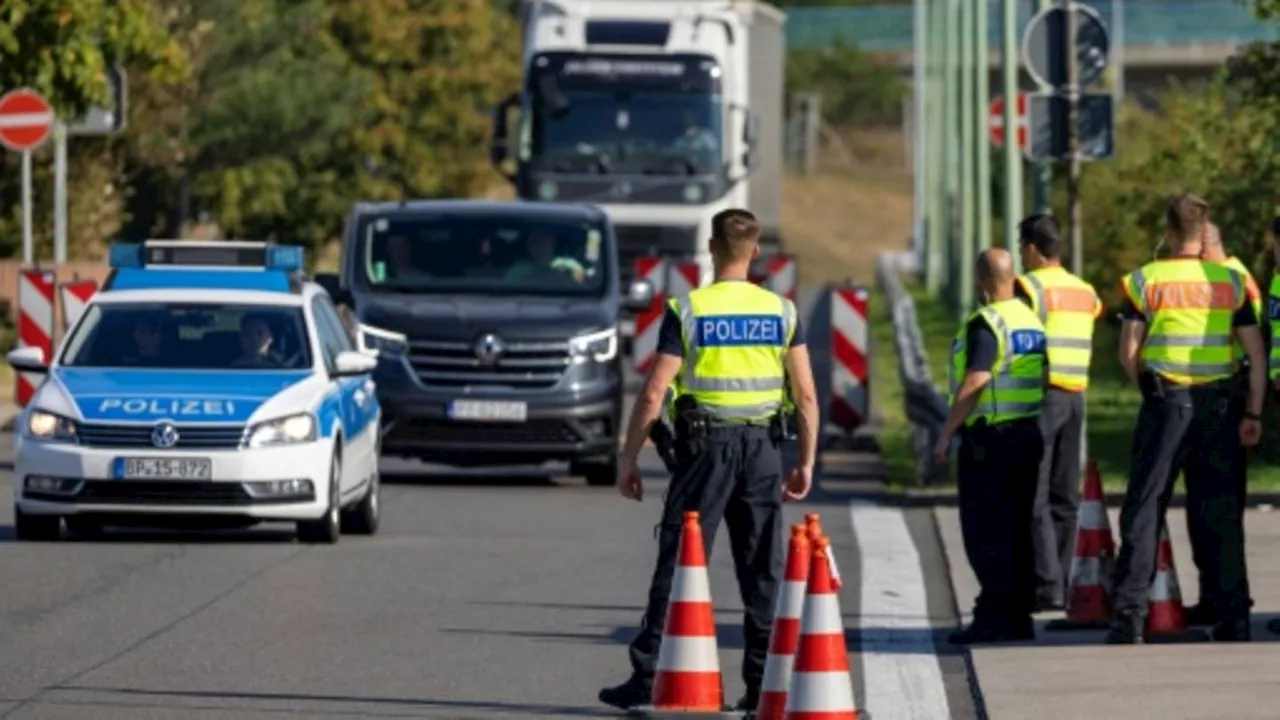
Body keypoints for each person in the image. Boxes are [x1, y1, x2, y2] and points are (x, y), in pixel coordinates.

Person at [599, 208, 819, 712]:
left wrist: (630, 457)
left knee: (679, 562)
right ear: (755, 250)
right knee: (762, 569)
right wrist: (804, 461)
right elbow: (806, 395)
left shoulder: (689, 309)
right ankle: (763, 686)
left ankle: (649, 676)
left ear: (713, 249)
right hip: (763, 451)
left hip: (705, 452)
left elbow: (655, 391)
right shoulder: (781, 311)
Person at [1108, 194, 1264, 644]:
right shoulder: (1230, 282)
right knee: (1219, 512)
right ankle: (1233, 617)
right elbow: (1254, 351)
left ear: (1170, 231)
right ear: (1203, 231)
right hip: (1220, 408)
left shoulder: (1147, 279)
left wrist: (1150, 386)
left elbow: (1128, 351)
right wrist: (1252, 412)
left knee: (1145, 508)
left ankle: (1130, 617)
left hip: (1166, 403)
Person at [934, 247, 1047, 645]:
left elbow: (975, 381)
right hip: (1026, 434)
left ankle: (994, 616)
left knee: (986, 533)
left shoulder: (989, 322)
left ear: (982, 282)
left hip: (993, 440)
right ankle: (1018, 616)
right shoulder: (1029, 319)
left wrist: (947, 431)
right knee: (1017, 530)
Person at [1013, 214, 1101, 612]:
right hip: (1075, 396)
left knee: (1035, 494)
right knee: (1066, 496)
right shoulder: (1085, 291)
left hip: (1043, 396)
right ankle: (1061, 583)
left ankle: (1046, 586)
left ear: (1032, 247)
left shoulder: (1027, 287)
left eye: (1021, 247)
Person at [1189, 222, 1262, 627]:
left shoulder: (1234, 280)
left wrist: (1251, 409)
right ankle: (1213, 595)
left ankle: (1229, 597)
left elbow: (1252, 345)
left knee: (1221, 508)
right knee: (1206, 507)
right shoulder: (1223, 278)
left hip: (1228, 398)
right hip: (1221, 396)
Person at [506, 229, 585, 282]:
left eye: (545, 241)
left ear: (553, 243)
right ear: (528, 245)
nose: (540, 246)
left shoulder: (569, 265)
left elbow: (581, 282)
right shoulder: (518, 269)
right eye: (535, 242)